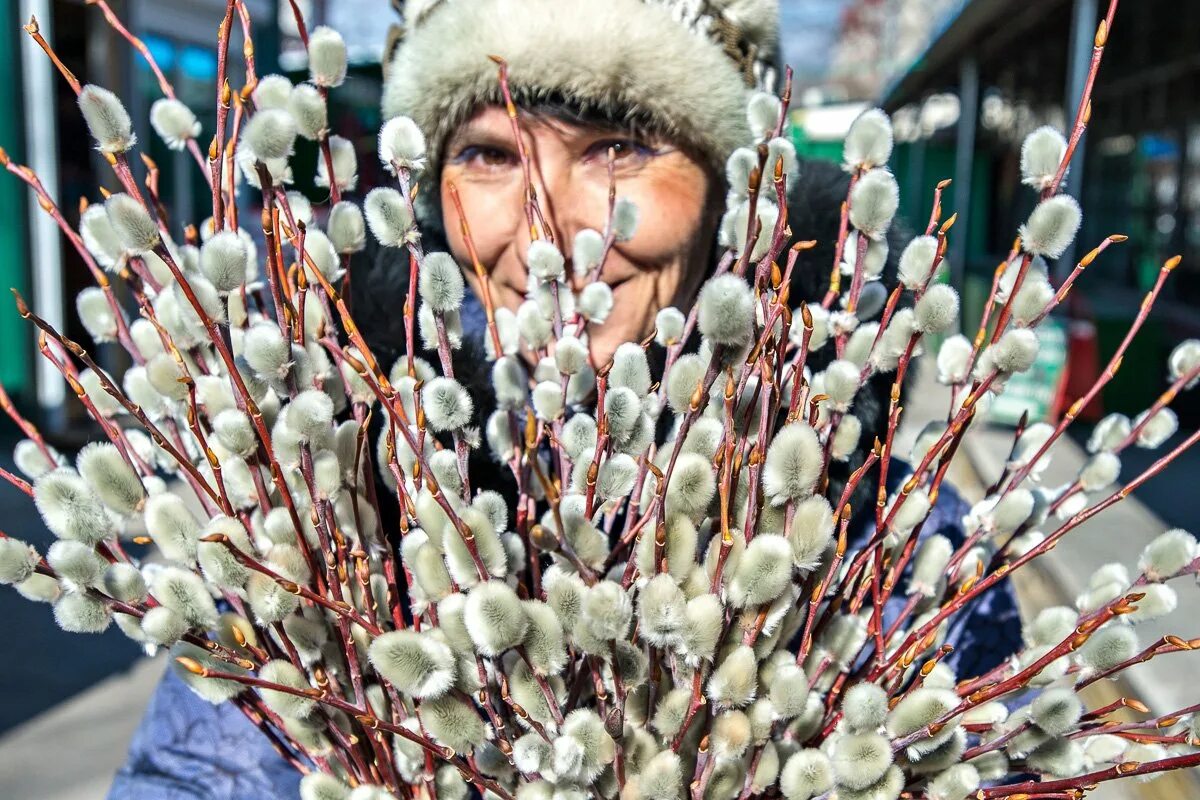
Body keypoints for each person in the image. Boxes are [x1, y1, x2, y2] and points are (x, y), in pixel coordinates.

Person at [110, 1, 1020, 795]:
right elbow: (200, 772)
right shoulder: (329, 521)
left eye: (618, 145)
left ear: (728, 196)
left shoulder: (910, 551)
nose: (544, 223)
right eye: (489, 155)